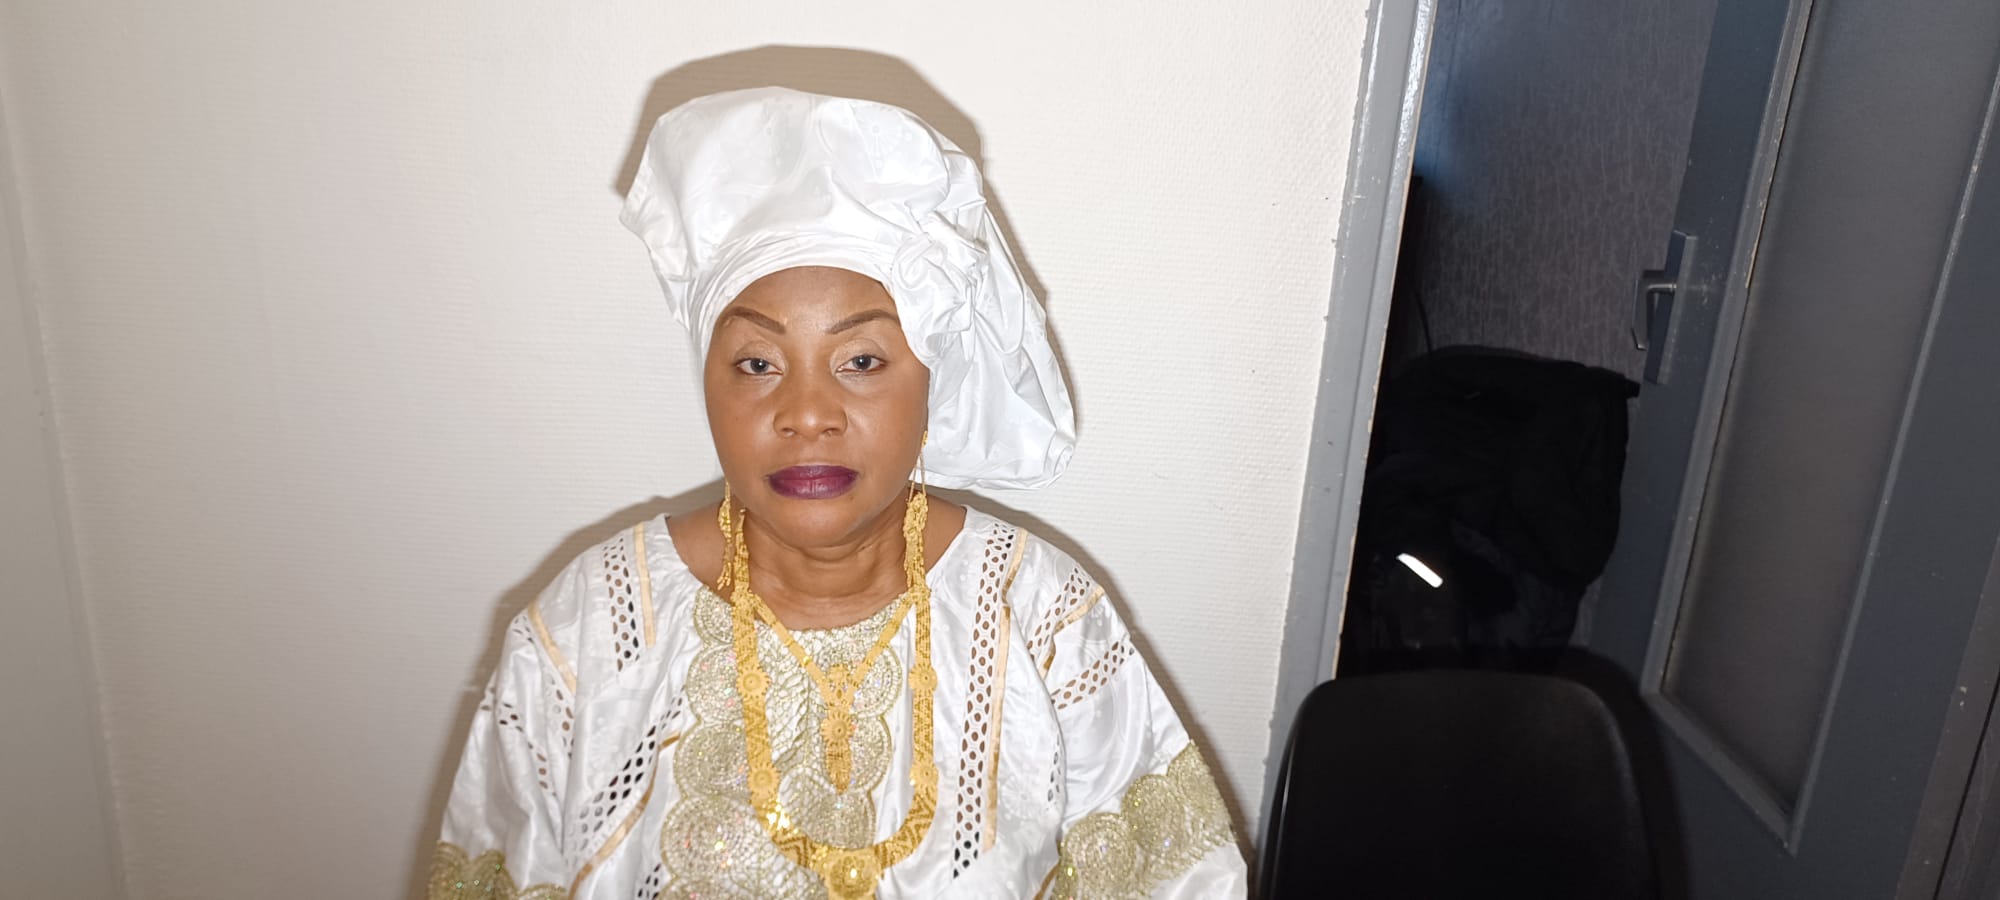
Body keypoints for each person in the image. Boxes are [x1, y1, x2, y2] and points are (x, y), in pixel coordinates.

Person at [429, 87, 1246, 899]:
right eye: (758, 363)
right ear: (708, 381)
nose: (808, 414)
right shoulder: (591, 628)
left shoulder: (1038, 615)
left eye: (861, 361)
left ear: (931, 381)